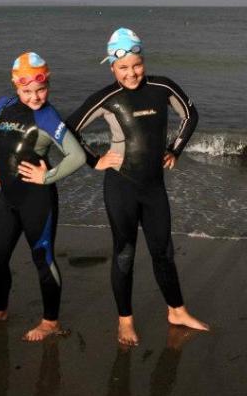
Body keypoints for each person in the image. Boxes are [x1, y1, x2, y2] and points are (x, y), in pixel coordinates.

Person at [66, 28, 209, 346]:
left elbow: (190, 114)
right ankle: (125, 321)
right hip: (122, 187)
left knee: (164, 253)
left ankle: (177, 311)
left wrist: (175, 149)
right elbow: (68, 129)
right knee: (124, 255)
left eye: (136, 65)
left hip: (154, 188)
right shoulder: (107, 98)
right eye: (123, 67)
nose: (131, 73)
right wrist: (94, 160)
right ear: (112, 68)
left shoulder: (162, 87)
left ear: (143, 61)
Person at [0, 51, 85, 341]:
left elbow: (77, 155)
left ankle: (50, 322)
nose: (35, 97)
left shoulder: (47, 116)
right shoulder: (4, 106)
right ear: (15, 85)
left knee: (42, 259)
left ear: (48, 84)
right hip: (8, 199)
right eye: (27, 91)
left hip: (37, 202)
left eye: (41, 89)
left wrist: (46, 176)